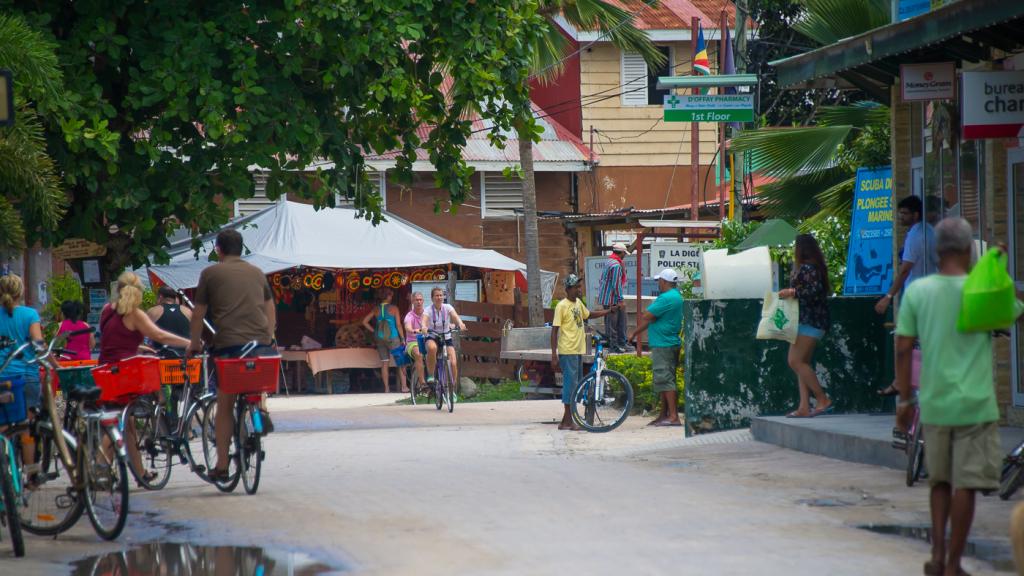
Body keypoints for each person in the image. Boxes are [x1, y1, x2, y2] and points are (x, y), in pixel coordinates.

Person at [895, 218, 1013, 576]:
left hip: (934, 402)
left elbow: (902, 348)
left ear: (937, 250)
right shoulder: (981, 290)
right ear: (967, 250)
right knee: (967, 485)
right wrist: (993, 270)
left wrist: (903, 401)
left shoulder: (918, 292)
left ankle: (937, 554)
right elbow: (1014, 310)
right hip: (975, 404)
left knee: (940, 482)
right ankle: (954, 564)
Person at [186, 229, 278, 482]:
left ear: (219, 249)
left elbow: (198, 313)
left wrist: (194, 343)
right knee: (256, 380)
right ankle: (258, 409)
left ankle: (223, 464)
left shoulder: (210, 273)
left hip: (229, 345)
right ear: (242, 249)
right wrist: (268, 336)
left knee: (225, 405)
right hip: (260, 345)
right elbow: (270, 308)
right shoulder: (257, 273)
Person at [98, 272, 191, 484]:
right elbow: (160, 336)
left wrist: (135, 345)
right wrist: (187, 343)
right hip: (125, 373)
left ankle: (140, 473)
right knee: (118, 422)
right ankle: (99, 465)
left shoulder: (107, 310)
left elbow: (113, 341)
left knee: (126, 423)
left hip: (104, 371)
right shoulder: (134, 314)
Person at [877, 195, 939, 396]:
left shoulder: (915, 235)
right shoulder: (930, 231)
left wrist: (888, 296)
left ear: (916, 214)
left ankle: (901, 381)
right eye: (900, 213)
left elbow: (905, 270)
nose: (900, 217)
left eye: (904, 214)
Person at [779, 234, 833, 418]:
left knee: (794, 361)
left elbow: (813, 290)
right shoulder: (816, 267)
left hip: (810, 321)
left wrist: (792, 291)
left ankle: (822, 398)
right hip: (812, 321)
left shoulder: (809, 268)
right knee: (802, 364)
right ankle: (803, 406)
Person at [550, 274, 609, 430]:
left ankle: (565, 422)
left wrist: (607, 312)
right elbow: (554, 331)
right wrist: (554, 355)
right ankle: (569, 421)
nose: (579, 290)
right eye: (576, 287)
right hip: (567, 350)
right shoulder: (562, 306)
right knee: (571, 385)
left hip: (577, 350)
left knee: (576, 384)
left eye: (579, 287)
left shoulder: (578, 304)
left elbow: (589, 315)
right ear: (568, 289)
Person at [628, 269, 684, 427]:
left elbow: (647, 315)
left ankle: (673, 416)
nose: (658, 283)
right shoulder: (677, 296)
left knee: (665, 380)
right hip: (670, 342)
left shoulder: (665, 298)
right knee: (664, 380)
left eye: (659, 280)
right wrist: (634, 333)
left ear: (665, 282)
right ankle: (663, 415)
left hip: (663, 344)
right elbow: (651, 319)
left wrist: (633, 333)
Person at [0, 275, 43, 470]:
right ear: (21, 291)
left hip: (2, 377)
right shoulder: (30, 314)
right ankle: (31, 472)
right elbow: (38, 343)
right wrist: (54, 362)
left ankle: (5, 474)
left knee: (3, 426)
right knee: (26, 426)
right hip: (27, 376)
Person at [362, 288, 406, 393]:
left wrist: (374, 331)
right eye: (391, 295)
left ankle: (386, 388)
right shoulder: (394, 308)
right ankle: (404, 387)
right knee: (400, 362)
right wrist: (403, 338)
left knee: (385, 363)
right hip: (393, 337)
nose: (392, 297)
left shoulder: (376, 309)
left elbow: (364, 322)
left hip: (380, 338)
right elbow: (399, 325)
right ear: (388, 296)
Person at [424, 287, 466, 388]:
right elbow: (424, 320)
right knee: (432, 348)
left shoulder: (448, 307)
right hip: (432, 336)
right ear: (432, 298)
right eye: (436, 295)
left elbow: (455, 317)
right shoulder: (428, 309)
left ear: (443, 297)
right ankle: (431, 375)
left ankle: (453, 387)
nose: (439, 297)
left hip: (446, 337)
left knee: (453, 362)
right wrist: (423, 327)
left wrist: (460, 324)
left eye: (441, 295)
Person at [597, 242, 632, 353]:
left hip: (608, 297)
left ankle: (620, 342)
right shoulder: (616, 265)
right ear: (621, 253)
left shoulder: (610, 261)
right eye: (624, 253)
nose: (624, 255)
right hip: (612, 298)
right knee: (614, 322)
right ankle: (614, 345)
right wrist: (620, 299)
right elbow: (616, 284)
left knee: (617, 320)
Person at [403, 292, 429, 393]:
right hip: (413, 342)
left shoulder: (427, 313)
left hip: (427, 340)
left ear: (423, 301)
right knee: (419, 354)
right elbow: (407, 327)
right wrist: (414, 330)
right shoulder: (409, 315)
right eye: (416, 300)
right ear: (412, 301)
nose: (419, 302)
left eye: (420, 300)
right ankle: (423, 384)